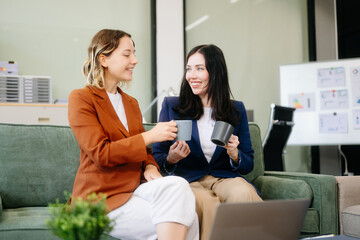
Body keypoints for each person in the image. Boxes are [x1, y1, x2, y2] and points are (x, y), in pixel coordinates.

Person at [68, 29, 199, 240]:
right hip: (100, 199)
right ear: (104, 59)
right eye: (127, 54)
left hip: (133, 190)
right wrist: (151, 135)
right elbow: (101, 153)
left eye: (134, 53)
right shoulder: (82, 99)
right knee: (185, 218)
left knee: (178, 185)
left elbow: (145, 152)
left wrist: (149, 165)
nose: (135, 60)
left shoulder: (131, 103)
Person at [153, 44, 262, 240]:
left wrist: (235, 154)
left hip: (223, 177)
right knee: (205, 203)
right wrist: (171, 158)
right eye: (188, 68)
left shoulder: (235, 110)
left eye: (199, 68)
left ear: (216, 72)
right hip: (188, 179)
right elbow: (157, 156)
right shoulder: (173, 107)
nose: (191, 75)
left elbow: (248, 163)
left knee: (243, 193)